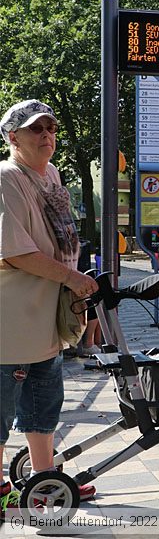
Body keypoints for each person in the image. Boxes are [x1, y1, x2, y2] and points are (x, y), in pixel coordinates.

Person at [0, 99, 99, 509]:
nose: (46, 136)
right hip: (11, 321)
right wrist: (74, 279)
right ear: (12, 137)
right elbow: (15, 251)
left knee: (44, 403)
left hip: (44, 319)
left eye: (51, 129)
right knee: (1, 410)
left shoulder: (51, 175)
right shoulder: (7, 177)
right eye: (36, 129)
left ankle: (45, 481)